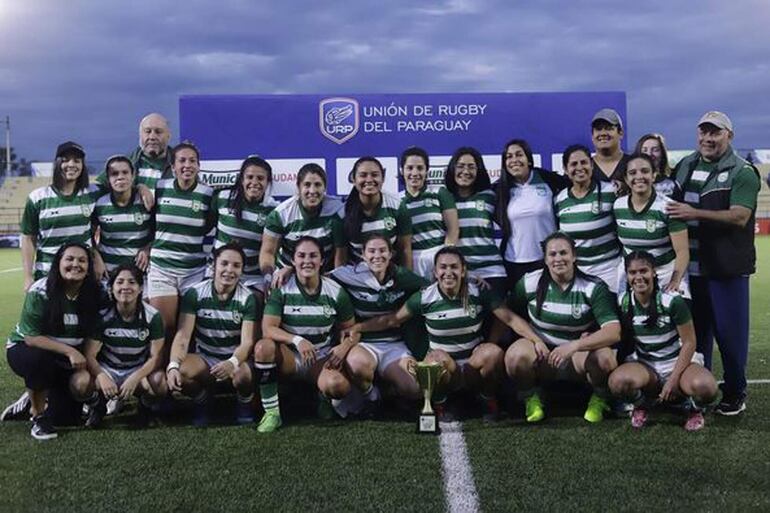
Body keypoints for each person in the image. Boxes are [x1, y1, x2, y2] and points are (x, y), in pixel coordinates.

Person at [351, 246, 545, 423]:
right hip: (445, 369)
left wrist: (536, 340)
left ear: (463, 270)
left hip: (472, 367)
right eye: (443, 267)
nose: (448, 272)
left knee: (493, 353)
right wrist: (358, 327)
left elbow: (509, 319)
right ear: (435, 272)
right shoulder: (425, 297)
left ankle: (487, 399)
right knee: (435, 359)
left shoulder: (478, 291)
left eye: (454, 267)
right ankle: (441, 403)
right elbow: (391, 320)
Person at [666, 111, 760, 415]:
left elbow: (740, 215)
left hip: (726, 269)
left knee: (730, 336)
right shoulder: (685, 165)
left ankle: (735, 393)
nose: (708, 138)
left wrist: (694, 213)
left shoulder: (742, 172)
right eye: (704, 132)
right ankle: (698, 393)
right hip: (691, 272)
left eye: (715, 133)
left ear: (729, 136)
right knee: (695, 338)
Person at [505, 232, 621, 423]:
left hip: (578, 358)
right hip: (544, 358)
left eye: (563, 253)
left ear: (574, 256)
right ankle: (531, 396)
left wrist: (575, 346)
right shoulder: (530, 282)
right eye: (552, 254)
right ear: (545, 258)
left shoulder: (593, 287)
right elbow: (510, 315)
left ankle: (600, 397)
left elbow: (614, 331)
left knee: (605, 358)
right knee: (514, 356)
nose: (558, 259)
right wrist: (536, 340)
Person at [253, 236, 358, 433]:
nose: (307, 261)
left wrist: (344, 347)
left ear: (321, 260)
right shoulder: (282, 287)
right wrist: (297, 340)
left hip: (320, 358)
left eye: (313, 256)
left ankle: (323, 396)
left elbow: (352, 331)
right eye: (301, 256)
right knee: (263, 347)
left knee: (338, 387)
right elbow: (268, 329)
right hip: (289, 357)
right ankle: (272, 413)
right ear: (293, 260)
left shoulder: (335, 292)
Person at [608, 251, 717, 431]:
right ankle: (642, 405)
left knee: (706, 387)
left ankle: (694, 408)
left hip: (677, 364)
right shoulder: (624, 302)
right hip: (646, 366)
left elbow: (690, 343)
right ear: (626, 276)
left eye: (643, 271)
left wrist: (673, 380)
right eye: (632, 273)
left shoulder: (672, 301)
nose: (638, 277)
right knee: (617, 382)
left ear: (654, 272)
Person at [5, 243, 103, 439]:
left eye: (82, 261)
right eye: (69, 259)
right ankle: (38, 416)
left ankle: (33, 397)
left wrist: (90, 367)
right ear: (58, 263)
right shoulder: (41, 290)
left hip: (64, 359)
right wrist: (70, 351)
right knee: (39, 360)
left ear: (89, 268)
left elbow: (95, 334)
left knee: (66, 418)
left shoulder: (95, 292)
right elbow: (31, 337)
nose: (75, 264)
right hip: (28, 349)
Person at [329, 234, 427, 413]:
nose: (377, 256)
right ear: (363, 255)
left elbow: (432, 288)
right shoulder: (348, 274)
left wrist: (469, 280)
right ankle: (372, 397)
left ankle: (390, 392)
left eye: (382, 251)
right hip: (364, 344)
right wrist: (287, 269)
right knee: (358, 364)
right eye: (371, 251)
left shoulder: (402, 276)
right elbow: (318, 278)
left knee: (415, 388)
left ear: (391, 254)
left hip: (395, 345)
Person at [166, 243, 258, 425]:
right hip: (205, 360)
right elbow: (183, 336)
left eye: (236, 266)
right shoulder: (195, 294)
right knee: (180, 371)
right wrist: (173, 365)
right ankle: (202, 401)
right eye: (224, 264)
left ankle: (244, 403)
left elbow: (247, 343)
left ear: (242, 271)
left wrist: (232, 362)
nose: (229, 270)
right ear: (213, 266)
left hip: (234, 361)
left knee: (244, 376)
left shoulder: (248, 298)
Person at [82, 264, 166, 427]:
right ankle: (97, 406)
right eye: (120, 282)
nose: (125, 287)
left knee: (160, 382)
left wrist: (136, 377)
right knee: (79, 383)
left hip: (136, 368)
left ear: (141, 288)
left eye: (132, 282)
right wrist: (101, 376)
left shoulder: (152, 316)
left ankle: (145, 408)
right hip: (108, 369)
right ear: (111, 288)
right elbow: (90, 355)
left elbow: (156, 356)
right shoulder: (103, 316)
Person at [147, 142, 215, 345]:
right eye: (182, 161)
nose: (187, 165)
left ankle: (180, 371)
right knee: (164, 329)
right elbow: (148, 224)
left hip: (193, 271)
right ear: (173, 166)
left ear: (199, 165)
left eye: (192, 161)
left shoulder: (208, 194)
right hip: (162, 270)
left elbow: (209, 226)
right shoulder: (160, 188)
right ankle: (161, 373)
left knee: (188, 331)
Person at [20, 142, 100, 291]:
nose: (71, 164)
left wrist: (141, 188)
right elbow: (28, 238)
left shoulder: (93, 193)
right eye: (65, 160)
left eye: (77, 160)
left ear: (83, 165)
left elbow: (120, 182)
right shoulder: (38, 197)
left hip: (82, 276)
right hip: (47, 276)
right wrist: (27, 276)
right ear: (57, 164)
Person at [495, 139, 570, 289]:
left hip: (549, 260)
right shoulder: (499, 189)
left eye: (519, 155)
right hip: (515, 263)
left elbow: (577, 185)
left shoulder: (548, 179)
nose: (514, 160)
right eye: (509, 157)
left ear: (529, 159)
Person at [260, 164, 346, 291]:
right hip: (287, 274)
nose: (312, 191)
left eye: (317, 185)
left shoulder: (337, 210)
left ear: (325, 188)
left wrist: (334, 286)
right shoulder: (281, 214)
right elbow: (268, 252)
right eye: (307, 185)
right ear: (298, 187)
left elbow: (341, 255)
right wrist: (269, 277)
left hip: (325, 276)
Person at [614, 153, 690, 296]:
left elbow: (682, 251)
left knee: (676, 313)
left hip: (665, 274)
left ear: (654, 175)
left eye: (645, 171)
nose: (639, 177)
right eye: (632, 173)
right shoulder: (618, 206)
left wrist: (675, 281)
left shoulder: (669, 207)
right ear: (626, 178)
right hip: (632, 277)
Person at [554, 144, 621, 292]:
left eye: (584, 162)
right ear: (565, 170)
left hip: (611, 271)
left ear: (591, 165)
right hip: (578, 274)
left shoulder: (611, 191)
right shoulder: (559, 200)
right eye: (573, 164)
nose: (579, 167)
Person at [213, 155, 279, 293]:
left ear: (268, 182)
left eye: (260, 178)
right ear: (242, 180)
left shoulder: (274, 210)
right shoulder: (222, 198)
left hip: (252, 277)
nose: (254, 182)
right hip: (219, 272)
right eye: (249, 177)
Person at [444, 147, 506, 290]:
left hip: (492, 272)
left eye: (471, 167)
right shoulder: (444, 198)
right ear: (453, 169)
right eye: (460, 166)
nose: (465, 171)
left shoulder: (490, 196)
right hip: (459, 273)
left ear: (479, 171)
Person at [399, 147, 459, 278]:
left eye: (420, 168)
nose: (414, 173)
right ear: (401, 170)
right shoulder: (397, 201)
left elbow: (453, 230)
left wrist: (444, 260)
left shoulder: (440, 193)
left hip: (438, 255)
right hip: (411, 259)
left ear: (426, 171)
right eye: (409, 168)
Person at [344, 156, 412, 267]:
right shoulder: (344, 210)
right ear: (354, 179)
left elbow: (405, 249)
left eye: (375, 175)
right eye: (363, 175)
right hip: (356, 277)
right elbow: (341, 255)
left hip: (390, 274)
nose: (369, 180)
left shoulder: (397, 205)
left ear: (383, 178)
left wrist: (407, 280)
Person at [92, 155, 153, 277]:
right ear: (108, 179)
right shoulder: (100, 204)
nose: (120, 177)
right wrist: (96, 256)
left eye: (125, 172)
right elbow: (88, 236)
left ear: (133, 176)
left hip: (140, 275)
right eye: (114, 174)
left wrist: (148, 248)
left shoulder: (146, 201)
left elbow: (159, 233)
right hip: (108, 274)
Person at [97, 113, 174, 192]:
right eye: (147, 131)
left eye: (158, 132)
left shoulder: (179, 166)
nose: (152, 137)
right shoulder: (126, 164)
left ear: (168, 136)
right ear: (140, 135)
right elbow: (96, 189)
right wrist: (136, 189)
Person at [590, 108, 630, 194]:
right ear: (592, 136)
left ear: (621, 133)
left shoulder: (633, 164)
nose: (603, 133)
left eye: (609, 128)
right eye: (598, 129)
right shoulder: (584, 168)